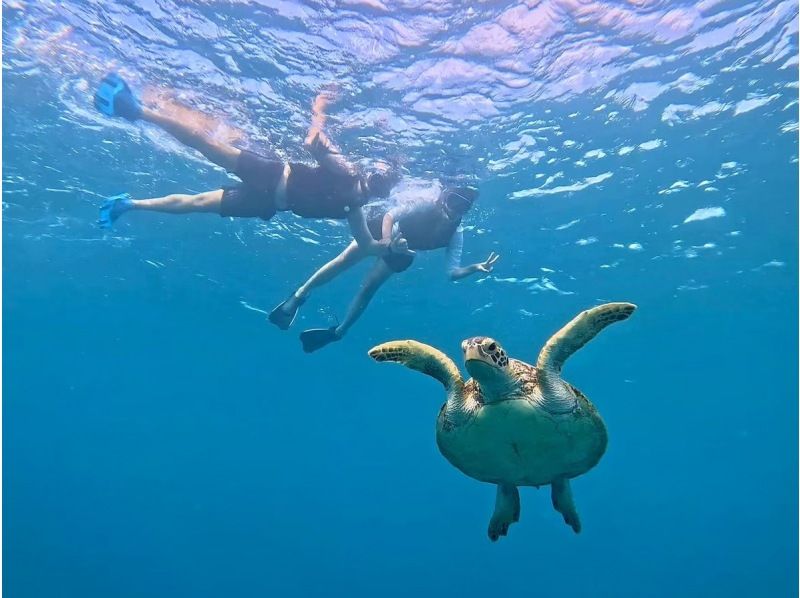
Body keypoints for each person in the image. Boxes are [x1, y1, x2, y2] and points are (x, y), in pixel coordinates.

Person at [92, 73, 402, 255]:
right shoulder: (347, 172)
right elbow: (312, 142)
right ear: (369, 174)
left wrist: (389, 245)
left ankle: (128, 204)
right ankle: (138, 110)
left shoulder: (354, 211)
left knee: (197, 203)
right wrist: (318, 110)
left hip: (264, 203)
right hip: (269, 170)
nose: (372, 185)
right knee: (205, 142)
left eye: (381, 185)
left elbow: (368, 246)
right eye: (377, 178)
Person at [268, 185, 500, 351]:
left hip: (404, 252)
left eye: (462, 208)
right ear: (442, 199)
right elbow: (390, 214)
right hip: (382, 234)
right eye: (453, 202)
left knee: (368, 289)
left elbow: (452, 273)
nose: (455, 211)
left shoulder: (456, 232)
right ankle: (298, 296)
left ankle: (338, 332)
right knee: (343, 262)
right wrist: (387, 242)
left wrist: (474, 267)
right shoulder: (424, 205)